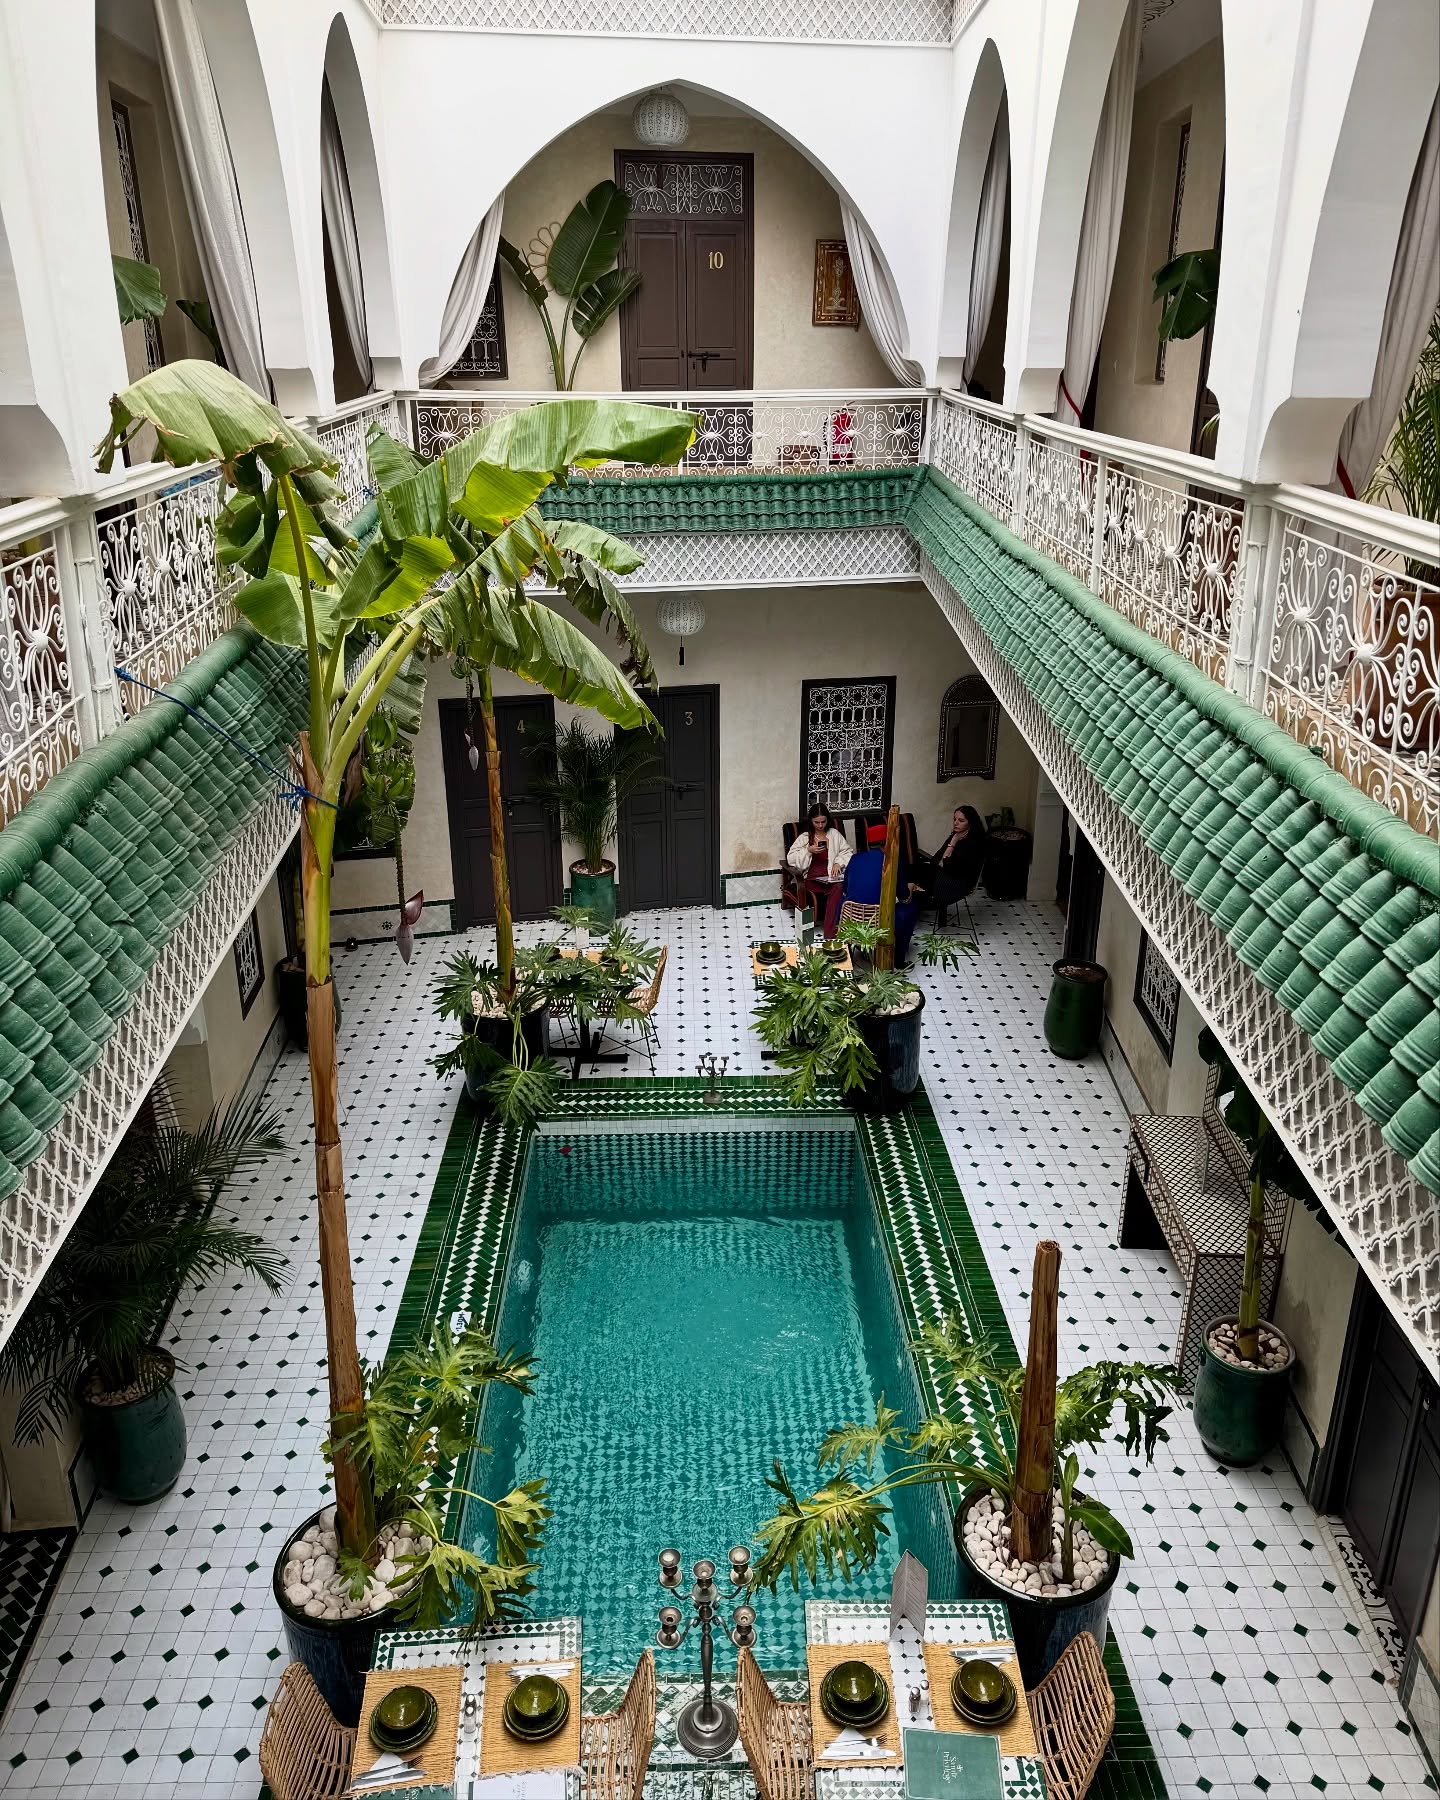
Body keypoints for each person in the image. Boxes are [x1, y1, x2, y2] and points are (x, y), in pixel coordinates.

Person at [786, 803, 852, 938]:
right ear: (811, 821)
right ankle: (829, 934)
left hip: (830, 877)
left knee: (839, 887)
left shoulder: (834, 834)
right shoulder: (805, 837)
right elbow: (791, 859)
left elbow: (847, 851)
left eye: (823, 822)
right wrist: (808, 851)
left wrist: (838, 863)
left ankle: (832, 933)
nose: (820, 825)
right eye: (817, 822)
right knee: (837, 889)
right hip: (811, 880)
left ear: (827, 820)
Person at [911, 805, 988, 914]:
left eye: (961, 820)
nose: (956, 823)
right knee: (913, 868)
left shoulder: (973, 843)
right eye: (954, 819)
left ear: (971, 823)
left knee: (919, 889)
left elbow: (947, 864)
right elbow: (937, 858)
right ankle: (916, 896)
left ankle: (920, 898)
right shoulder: (957, 834)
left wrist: (953, 843)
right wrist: (942, 861)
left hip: (958, 882)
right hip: (946, 875)